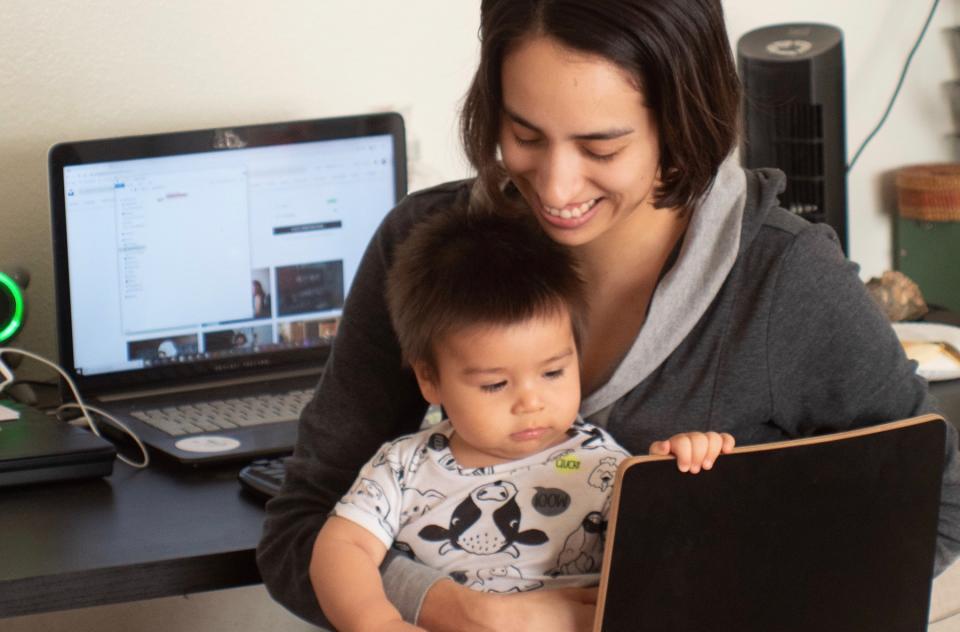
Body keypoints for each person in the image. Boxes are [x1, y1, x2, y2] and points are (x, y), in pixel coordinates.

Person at [258, 1, 960, 631]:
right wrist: (458, 609)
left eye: (602, 147)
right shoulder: (427, 252)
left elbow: (936, 509)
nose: (556, 187)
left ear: (682, 124)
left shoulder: (781, 279)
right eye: (524, 134)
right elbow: (301, 529)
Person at [308, 208, 735, 632]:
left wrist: (676, 474)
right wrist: (376, 622)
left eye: (553, 373)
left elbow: (673, 565)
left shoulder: (602, 465)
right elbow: (343, 547)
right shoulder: (403, 467)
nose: (531, 402)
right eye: (495, 384)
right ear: (430, 379)